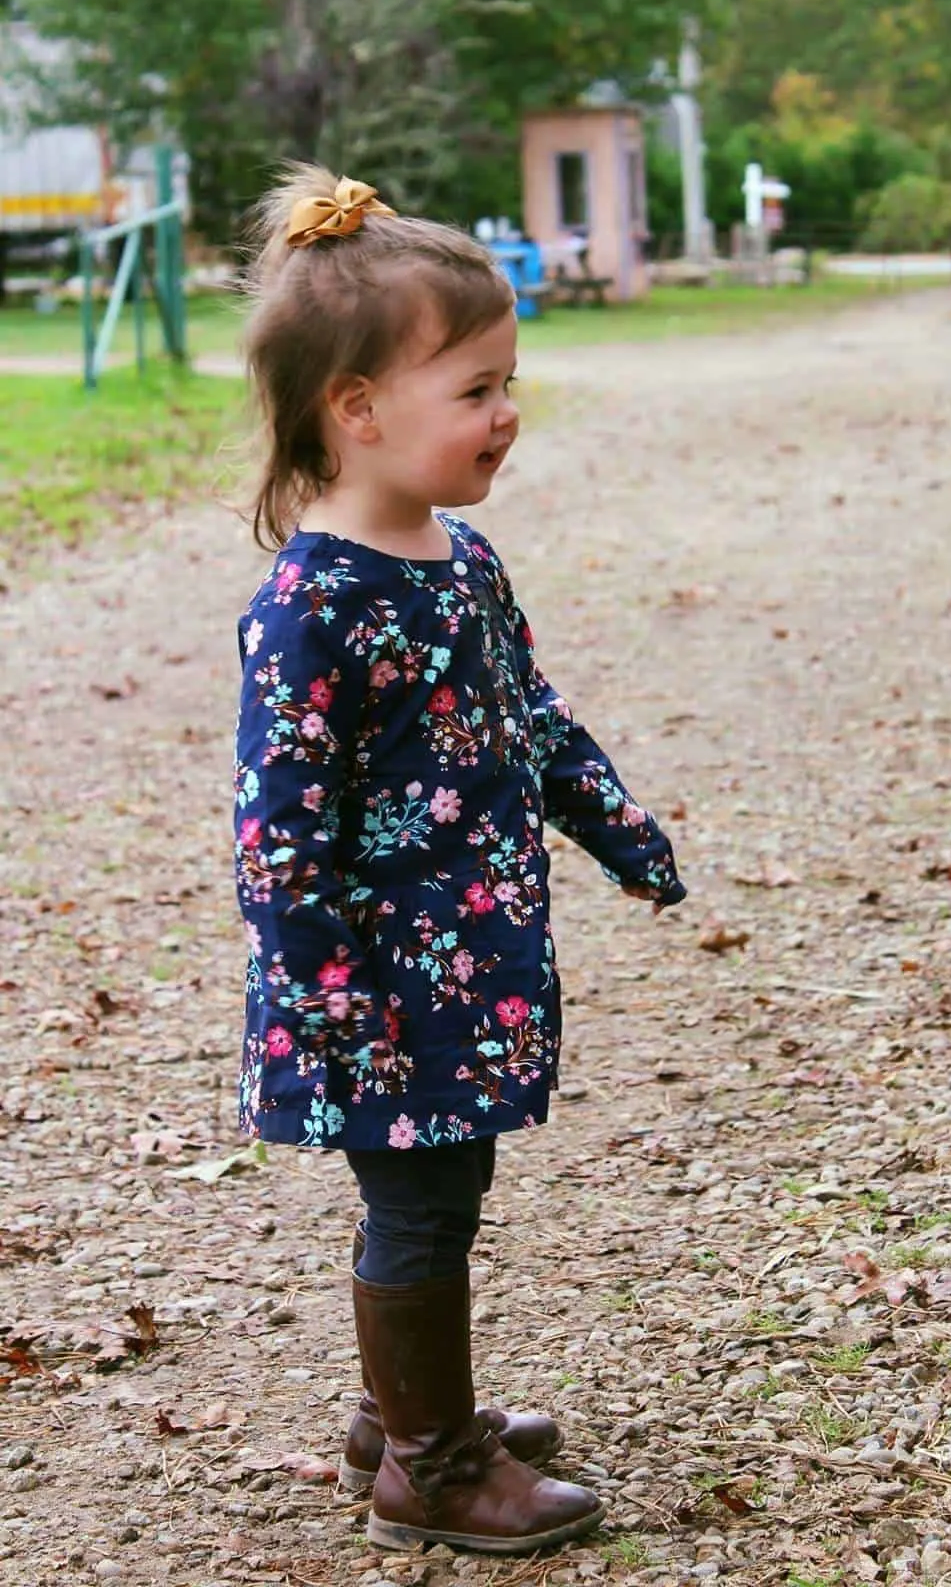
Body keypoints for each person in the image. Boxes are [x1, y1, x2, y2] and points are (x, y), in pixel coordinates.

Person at [232, 166, 686, 1557]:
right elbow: (278, 838)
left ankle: (404, 1404)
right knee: (421, 1205)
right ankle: (425, 1467)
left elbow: (526, 716)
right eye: (477, 388)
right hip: (376, 992)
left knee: (449, 1190)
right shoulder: (312, 609)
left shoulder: (462, 561)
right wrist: (322, 1000)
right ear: (358, 410)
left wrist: (618, 827)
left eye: (509, 381)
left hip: (471, 968)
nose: (508, 413)